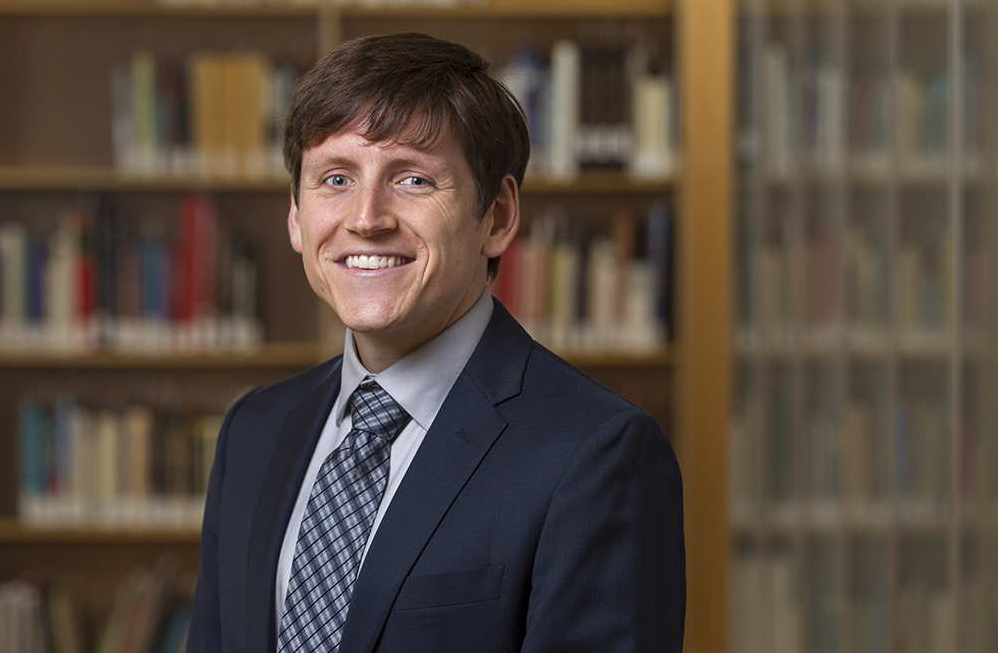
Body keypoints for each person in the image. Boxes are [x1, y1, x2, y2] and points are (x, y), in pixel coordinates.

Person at [186, 32, 685, 653]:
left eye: (414, 180)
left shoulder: (597, 455)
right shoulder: (253, 432)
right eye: (336, 178)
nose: (367, 217)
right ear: (295, 216)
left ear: (498, 217)